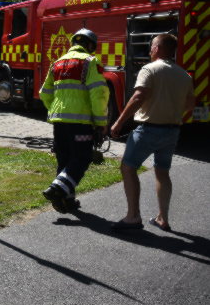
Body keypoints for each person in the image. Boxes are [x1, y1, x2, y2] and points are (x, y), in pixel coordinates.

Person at [109, 34, 195, 231]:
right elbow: (191, 104)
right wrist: (171, 111)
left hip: (149, 130)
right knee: (162, 172)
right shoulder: (183, 74)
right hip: (172, 131)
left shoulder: (149, 69)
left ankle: (132, 217)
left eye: (151, 47)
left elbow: (139, 96)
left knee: (128, 168)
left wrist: (118, 123)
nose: (149, 51)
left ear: (157, 48)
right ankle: (163, 219)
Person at [40, 28, 110, 213]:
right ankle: (57, 189)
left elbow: (44, 93)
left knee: (64, 159)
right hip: (80, 123)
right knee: (82, 157)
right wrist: (101, 121)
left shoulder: (57, 63)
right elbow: (99, 93)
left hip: (59, 121)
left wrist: (56, 110)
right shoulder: (90, 61)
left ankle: (65, 201)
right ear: (89, 45)